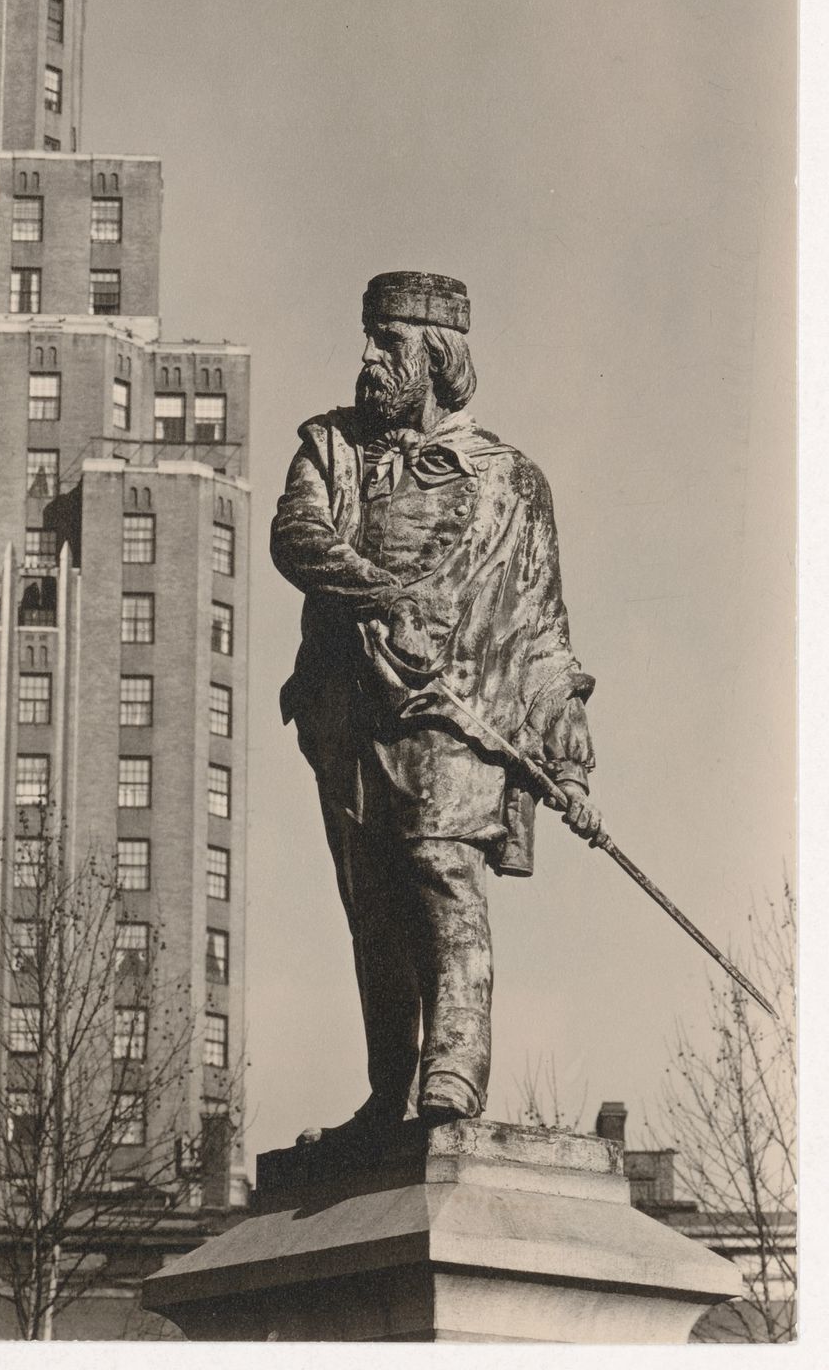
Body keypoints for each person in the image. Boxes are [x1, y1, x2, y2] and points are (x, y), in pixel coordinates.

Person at [270, 270, 601, 1131]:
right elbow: (298, 536)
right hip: (348, 717)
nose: (370, 358)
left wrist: (567, 754)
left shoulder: (511, 483)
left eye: (389, 341)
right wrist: (383, 595)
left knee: (441, 874)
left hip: (452, 718)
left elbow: (542, 630)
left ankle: (452, 1079)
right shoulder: (331, 447)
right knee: (372, 907)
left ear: (438, 354)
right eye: (369, 338)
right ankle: (390, 1091)